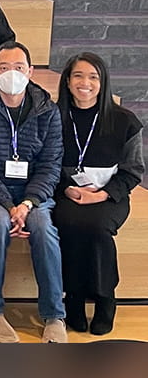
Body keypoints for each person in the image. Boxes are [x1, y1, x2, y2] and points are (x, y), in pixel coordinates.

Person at [0, 41, 67, 343]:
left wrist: (28, 203)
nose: (12, 73)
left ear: (31, 71)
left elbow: (50, 164)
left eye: (19, 68)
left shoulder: (47, 108)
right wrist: (10, 205)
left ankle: (54, 314)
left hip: (32, 193)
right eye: (4, 67)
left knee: (44, 227)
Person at [54, 52, 144, 336]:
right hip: (66, 193)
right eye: (78, 75)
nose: (85, 83)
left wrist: (102, 195)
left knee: (97, 227)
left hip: (110, 197)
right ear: (67, 82)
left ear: (103, 82)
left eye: (94, 77)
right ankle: (75, 299)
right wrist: (66, 188)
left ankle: (106, 298)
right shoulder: (53, 117)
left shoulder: (124, 120)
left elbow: (133, 171)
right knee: (69, 224)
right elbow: (44, 163)